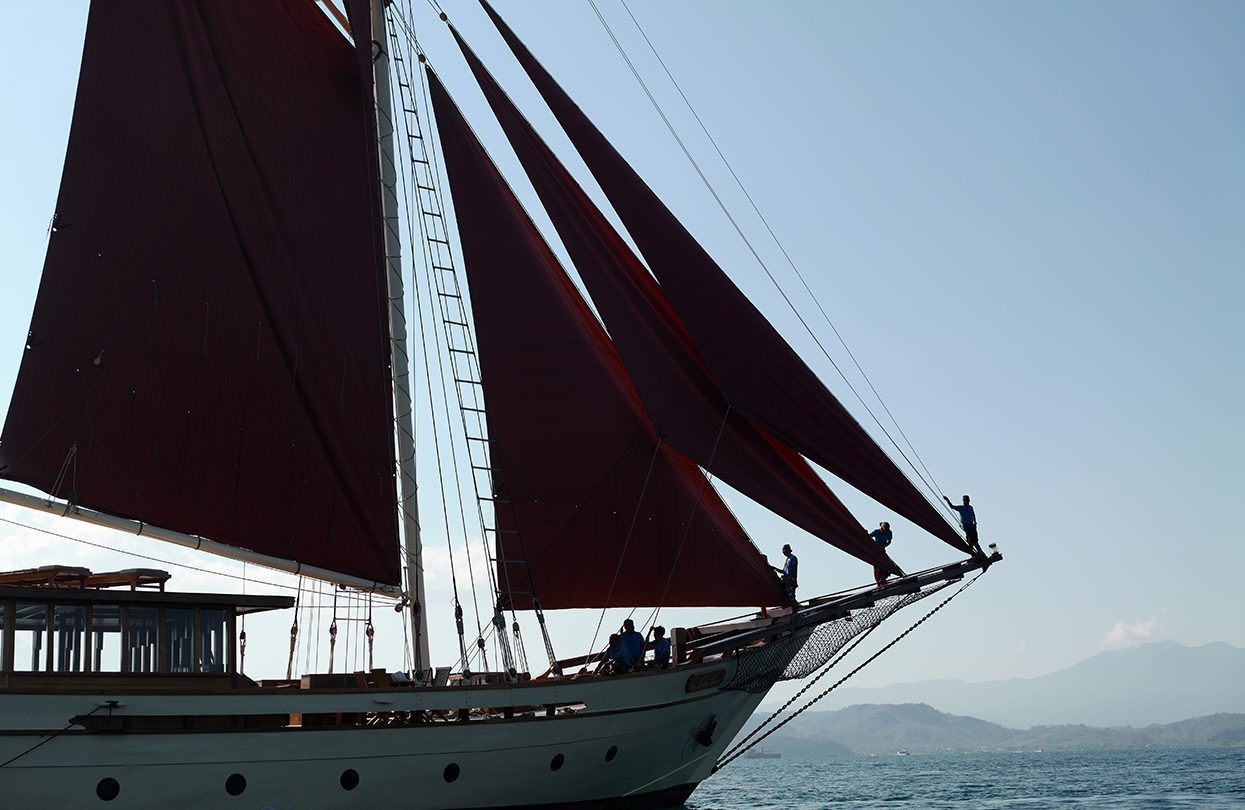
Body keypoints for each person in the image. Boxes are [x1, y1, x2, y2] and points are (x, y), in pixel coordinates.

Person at [869, 521, 893, 587]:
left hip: (882, 550)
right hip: (875, 551)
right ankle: (879, 581)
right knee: (877, 566)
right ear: (882, 527)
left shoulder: (889, 532)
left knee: (886, 564)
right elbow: (868, 536)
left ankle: (884, 579)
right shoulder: (876, 532)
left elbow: (889, 541)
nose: (886, 530)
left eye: (887, 529)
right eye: (885, 529)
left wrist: (884, 546)